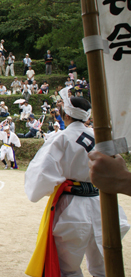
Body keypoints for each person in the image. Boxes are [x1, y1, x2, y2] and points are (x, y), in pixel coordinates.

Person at [24, 89, 129, 276]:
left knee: (69, 270)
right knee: (104, 268)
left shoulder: (60, 138)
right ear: (87, 116)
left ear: (65, 115)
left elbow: (41, 176)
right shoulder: (104, 136)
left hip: (72, 207)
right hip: (102, 202)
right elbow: (122, 155)